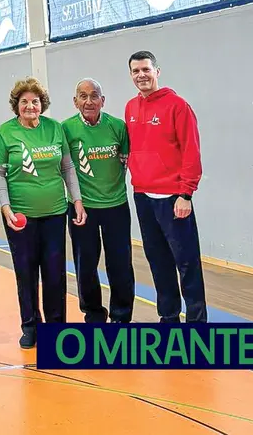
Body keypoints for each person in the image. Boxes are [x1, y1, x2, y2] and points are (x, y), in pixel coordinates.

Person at [0, 77, 86, 349]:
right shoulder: (5, 133)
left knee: (55, 273)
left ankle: (56, 328)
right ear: (16, 106)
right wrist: (6, 207)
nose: (30, 106)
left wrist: (76, 200)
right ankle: (31, 325)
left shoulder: (55, 129)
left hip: (55, 213)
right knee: (26, 272)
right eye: (24, 102)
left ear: (42, 104)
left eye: (35, 101)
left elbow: (68, 167)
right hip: (21, 217)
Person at [125, 50, 205, 323]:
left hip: (173, 198)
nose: (141, 75)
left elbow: (191, 154)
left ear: (157, 72)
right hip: (143, 197)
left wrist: (186, 194)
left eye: (146, 69)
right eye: (136, 71)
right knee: (158, 262)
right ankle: (168, 318)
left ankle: (197, 324)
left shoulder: (178, 106)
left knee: (187, 264)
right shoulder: (130, 108)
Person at [62, 78, 135, 324]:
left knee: (121, 265)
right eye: (83, 96)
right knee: (86, 265)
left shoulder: (118, 127)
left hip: (116, 207)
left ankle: (121, 316)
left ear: (103, 100)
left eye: (94, 96)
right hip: (81, 208)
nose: (89, 101)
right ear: (75, 102)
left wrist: (110, 190)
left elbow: (125, 163)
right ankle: (93, 314)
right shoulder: (65, 129)